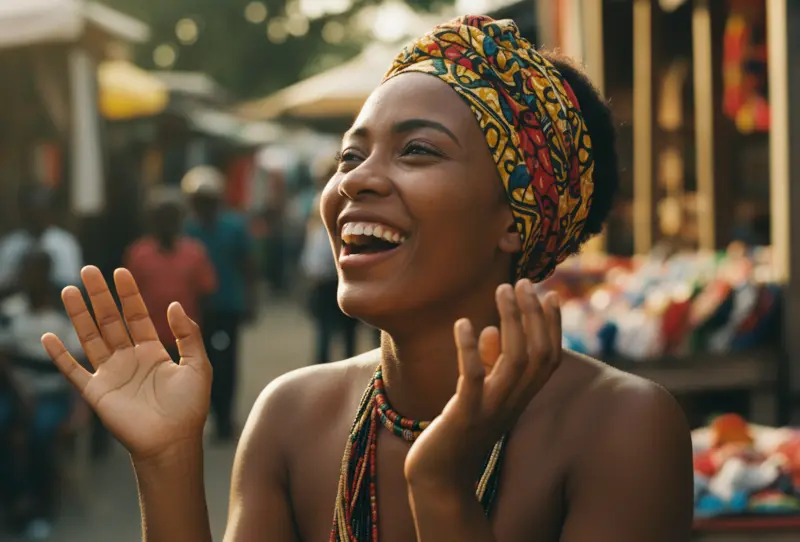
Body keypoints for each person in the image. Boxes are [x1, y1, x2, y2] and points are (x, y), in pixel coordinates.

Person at [41, 16, 693, 542]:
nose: (353, 180)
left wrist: (440, 487)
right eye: (349, 155)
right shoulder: (290, 418)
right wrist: (165, 464)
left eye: (417, 150)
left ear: (516, 217)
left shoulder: (622, 428)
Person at [0, 249, 83, 539]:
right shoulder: (11, 309)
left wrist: (78, 409)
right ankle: (14, 500)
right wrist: (19, 392)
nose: (25, 278)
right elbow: (4, 355)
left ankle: (40, 506)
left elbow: (77, 364)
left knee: (40, 433)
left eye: (31, 271)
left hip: (52, 394)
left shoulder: (63, 313)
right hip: (15, 391)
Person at [181, 166, 257, 441]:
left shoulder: (233, 226)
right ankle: (211, 415)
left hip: (227, 307)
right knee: (202, 365)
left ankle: (225, 417)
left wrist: (251, 301)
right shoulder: (186, 229)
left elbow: (248, 266)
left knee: (226, 362)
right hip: (196, 310)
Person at [124, 188, 217, 360]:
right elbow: (128, 297)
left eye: (171, 217)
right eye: (161, 218)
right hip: (149, 340)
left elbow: (206, 294)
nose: (166, 223)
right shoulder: (138, 254)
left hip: (186, 340)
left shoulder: (195, 253)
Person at [301, 160, 359, 363]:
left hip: (335, 275)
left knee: (340, 331)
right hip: (327, 277)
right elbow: (315, 243)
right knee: (328, 331)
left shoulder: (342, 201)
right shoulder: (320, 201)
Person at [0, 187, 82, 299]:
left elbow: (73, 284)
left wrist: (41, 281)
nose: (36, 215)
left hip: (55, 305)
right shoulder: (11, 244)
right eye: (32, 210)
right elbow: (3, 285)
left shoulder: (64, 242)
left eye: (41, 210)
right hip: (18, 305)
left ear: (49, 211)